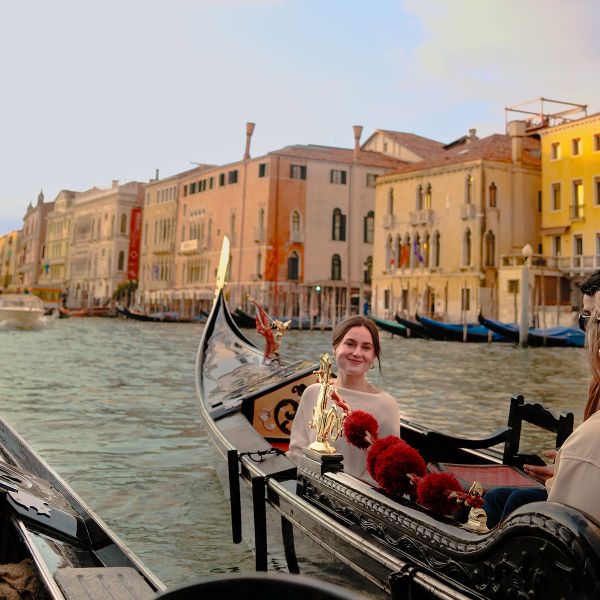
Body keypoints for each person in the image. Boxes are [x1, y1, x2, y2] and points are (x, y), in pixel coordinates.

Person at [483, 270, 600, 527]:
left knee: (516, 502)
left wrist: (567, 468)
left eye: (591, 319)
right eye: (585, 319)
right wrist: (564, 467)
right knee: (498, 498)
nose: (588, 332)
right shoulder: (596, 388)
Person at [288, 315, 401, 484]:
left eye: (366, 347)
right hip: (309, 490)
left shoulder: (385, 405)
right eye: (350, 344)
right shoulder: (312, 393)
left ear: (374, 356)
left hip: (358, 502)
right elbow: (296, 452)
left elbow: (385, 471)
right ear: (335, 347)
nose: (357, 353)